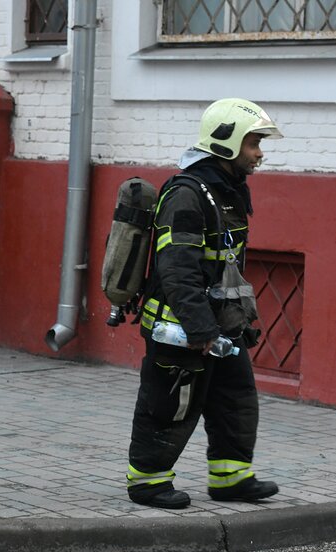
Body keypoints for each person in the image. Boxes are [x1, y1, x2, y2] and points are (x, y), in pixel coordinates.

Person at [125, 98, 283, 509]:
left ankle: (231, 477)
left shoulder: (227, 192)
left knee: (235, 399)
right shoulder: (186, 195)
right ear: (226, 141)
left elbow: (226, 267)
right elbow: (177, 270)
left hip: (221, 326)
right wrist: (199, 329)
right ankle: (148, 482)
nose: (259, 153)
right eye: (253, 143)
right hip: (181, 327)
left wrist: (233, 323)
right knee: (170, 405)